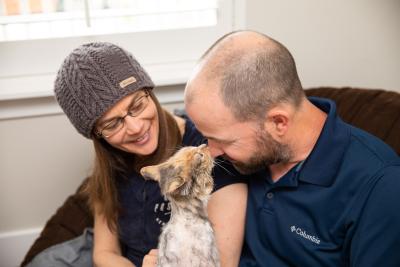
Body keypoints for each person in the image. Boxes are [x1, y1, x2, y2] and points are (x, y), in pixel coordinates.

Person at [184, 30, 400, 266]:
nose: (212, 152)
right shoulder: (245, 151)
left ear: (278, 122)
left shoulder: (380, 186)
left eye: (223, 141)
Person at [53, 42, 248, 267]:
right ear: (98, 136)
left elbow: (224, 262)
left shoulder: (206, 153)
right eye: (112, 124)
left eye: (136, 105)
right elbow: (105, 252)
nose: (135, 128)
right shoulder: (112, 165)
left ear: (149, 92)